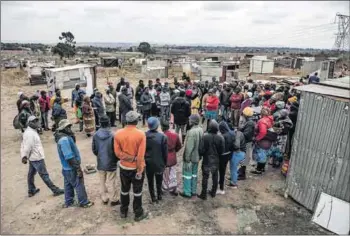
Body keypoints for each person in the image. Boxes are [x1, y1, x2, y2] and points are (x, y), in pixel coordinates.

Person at [114, 111, 148, 221]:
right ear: (136, 121)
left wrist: (128, 158)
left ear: (126, 120)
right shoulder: (141, 134)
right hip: (136, 168)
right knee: (137, 192)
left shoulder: (118, 133)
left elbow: (118, 153)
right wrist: (139, 169)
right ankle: (138, 213)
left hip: (124, 167)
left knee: (124, 190)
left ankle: (123, 211)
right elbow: (140, 156)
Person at [54, 119, 94, 208]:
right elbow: (69, 156)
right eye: (67, 127)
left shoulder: (62, 137)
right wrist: (77, 168)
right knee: (79, 183)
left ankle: (69, 201)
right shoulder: (64, 140)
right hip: (71, 167)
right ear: (62, 128)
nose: (69, 129)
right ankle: (84, 202)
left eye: (69, 126)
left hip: (66, 168)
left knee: (68, 184)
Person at [21, 116, 64, 197]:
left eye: (37, 121)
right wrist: (24, 156)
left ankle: (31, 190)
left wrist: (25, 156)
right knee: (44, 175)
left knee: (31, 174)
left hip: (33, 157)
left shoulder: (30, 131)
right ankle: (55, 190)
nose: (37, 122)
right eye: (34, 121)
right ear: (30, 123)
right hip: (37, 157)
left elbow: (23, 144)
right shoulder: (30, 134)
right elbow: (27, 147)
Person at [92, 115, 120, 206]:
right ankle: (114, 199)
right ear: (108, 123)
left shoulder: (96, 135)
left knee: (102, 181)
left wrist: (99, 156)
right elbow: (116, 150)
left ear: (100, 123)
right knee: (112, 181)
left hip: (100, 161)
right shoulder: (112, 135)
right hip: (111, 162)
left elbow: (94, 149)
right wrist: (116, 159)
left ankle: (104, 198)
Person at [198, 120, 225, 200]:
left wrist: (202, 154)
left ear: (209, 127)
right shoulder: (220, 137)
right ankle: (213, 192)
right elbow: (222, 151)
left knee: (205, 177)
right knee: (215, 176)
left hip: (206, 160)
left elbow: (201, 150)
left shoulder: (205, 136)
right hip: (216, 160)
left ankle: (203, 194)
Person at [145, 117, 168, 203]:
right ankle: (159, 195)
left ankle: (153, 197)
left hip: (148, 163)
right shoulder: (163, 137)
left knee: (150, 181)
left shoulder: (144, 135)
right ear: (157, 126)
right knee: (159, 180)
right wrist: (165, 162)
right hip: (159, 162)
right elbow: (165, 152)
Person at [180, 114, 203, 199]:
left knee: (187, 175)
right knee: (194, 175)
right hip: (197, 157)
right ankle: (193, 191)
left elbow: (189, 147)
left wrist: (186, 158)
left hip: (190, 158)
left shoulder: (191, 132)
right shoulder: (200, 129)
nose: (188, 121)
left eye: (190, 120)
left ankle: (187, 192)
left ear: (192, 122)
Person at [251, 107, 275, 175]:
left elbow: (263, 132)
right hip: (269, 140)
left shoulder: (262, 121)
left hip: (263, 141)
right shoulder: (270, 119)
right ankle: (263, 168)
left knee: (260, 155)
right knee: (265, 154)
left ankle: (259, 170)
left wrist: (257, 138)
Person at [161, 121, 182, 196]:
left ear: (162, 127)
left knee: (164, 174)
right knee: (172, 172)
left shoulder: (161, 136)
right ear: (169, 126)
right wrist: (173, 151)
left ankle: (164, 188)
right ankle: (173, 188)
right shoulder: (175, 135)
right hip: (172, 157)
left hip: (163, 158)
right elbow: (179, 146)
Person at [238, 107, 255, 180]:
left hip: (247, 142)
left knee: (245, 158)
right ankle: (241, 172)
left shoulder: (250, 123)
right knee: (244, 158)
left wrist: (239, 133)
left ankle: (242, 175)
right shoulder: (249, 122)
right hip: (247, 142)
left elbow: (247, 134)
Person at [217, 121, 234, 194]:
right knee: (223, 171)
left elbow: (219, 148)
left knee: (221, 172)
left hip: (222, 156)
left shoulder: (223, 136)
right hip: (229, 154)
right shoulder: (232, 133)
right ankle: (220, 183)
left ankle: (221, 189)